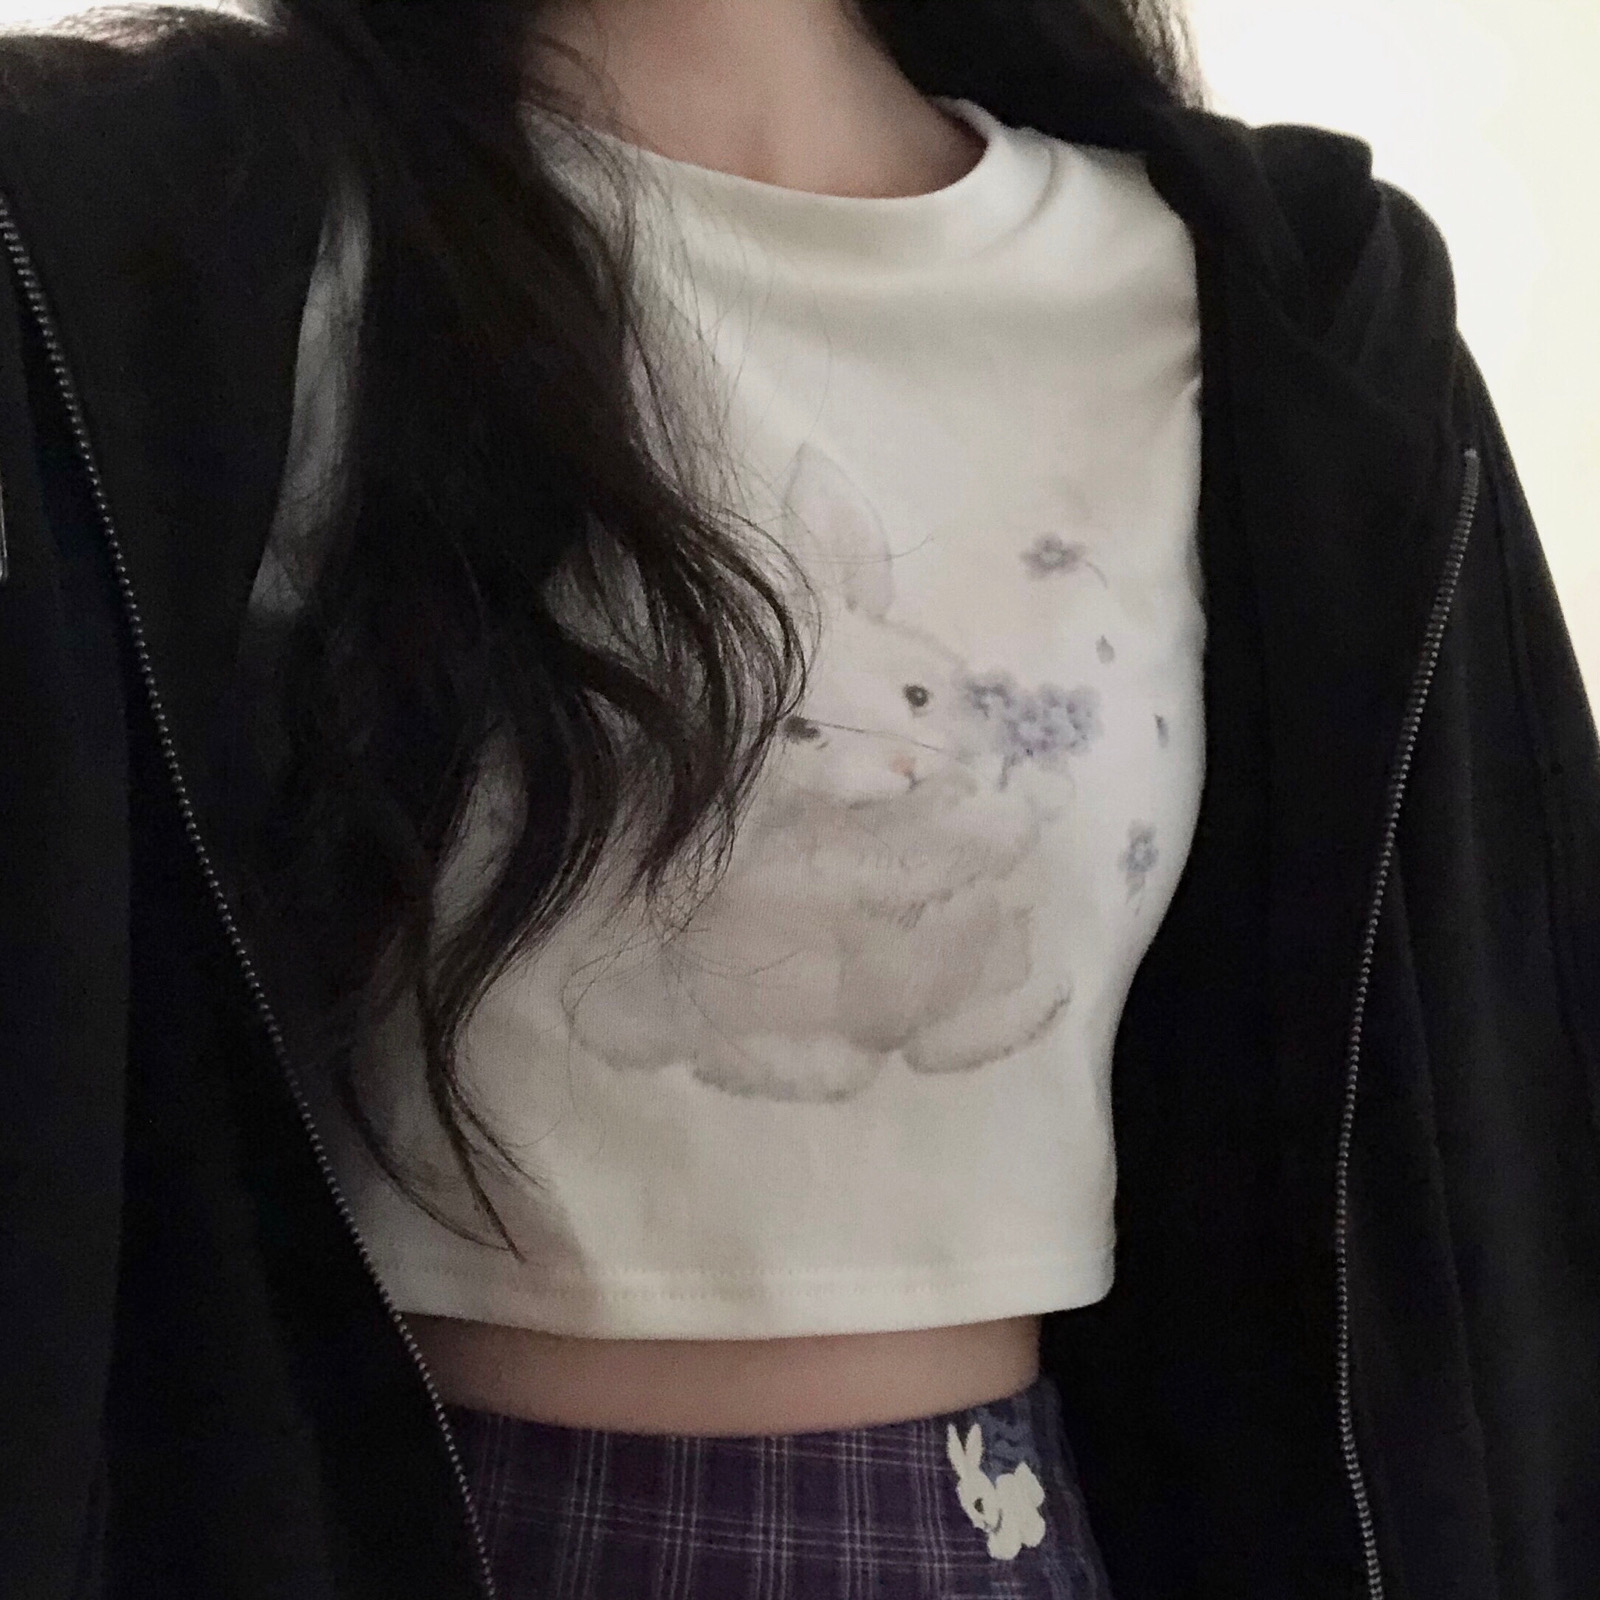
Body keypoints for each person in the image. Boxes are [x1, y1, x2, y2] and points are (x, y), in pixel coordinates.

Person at [0, 0, 1595, 1594]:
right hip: (360, 1530)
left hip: (978, 1534)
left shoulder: (1278, 323)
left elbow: (1484, 1146)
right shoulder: (164, 235)